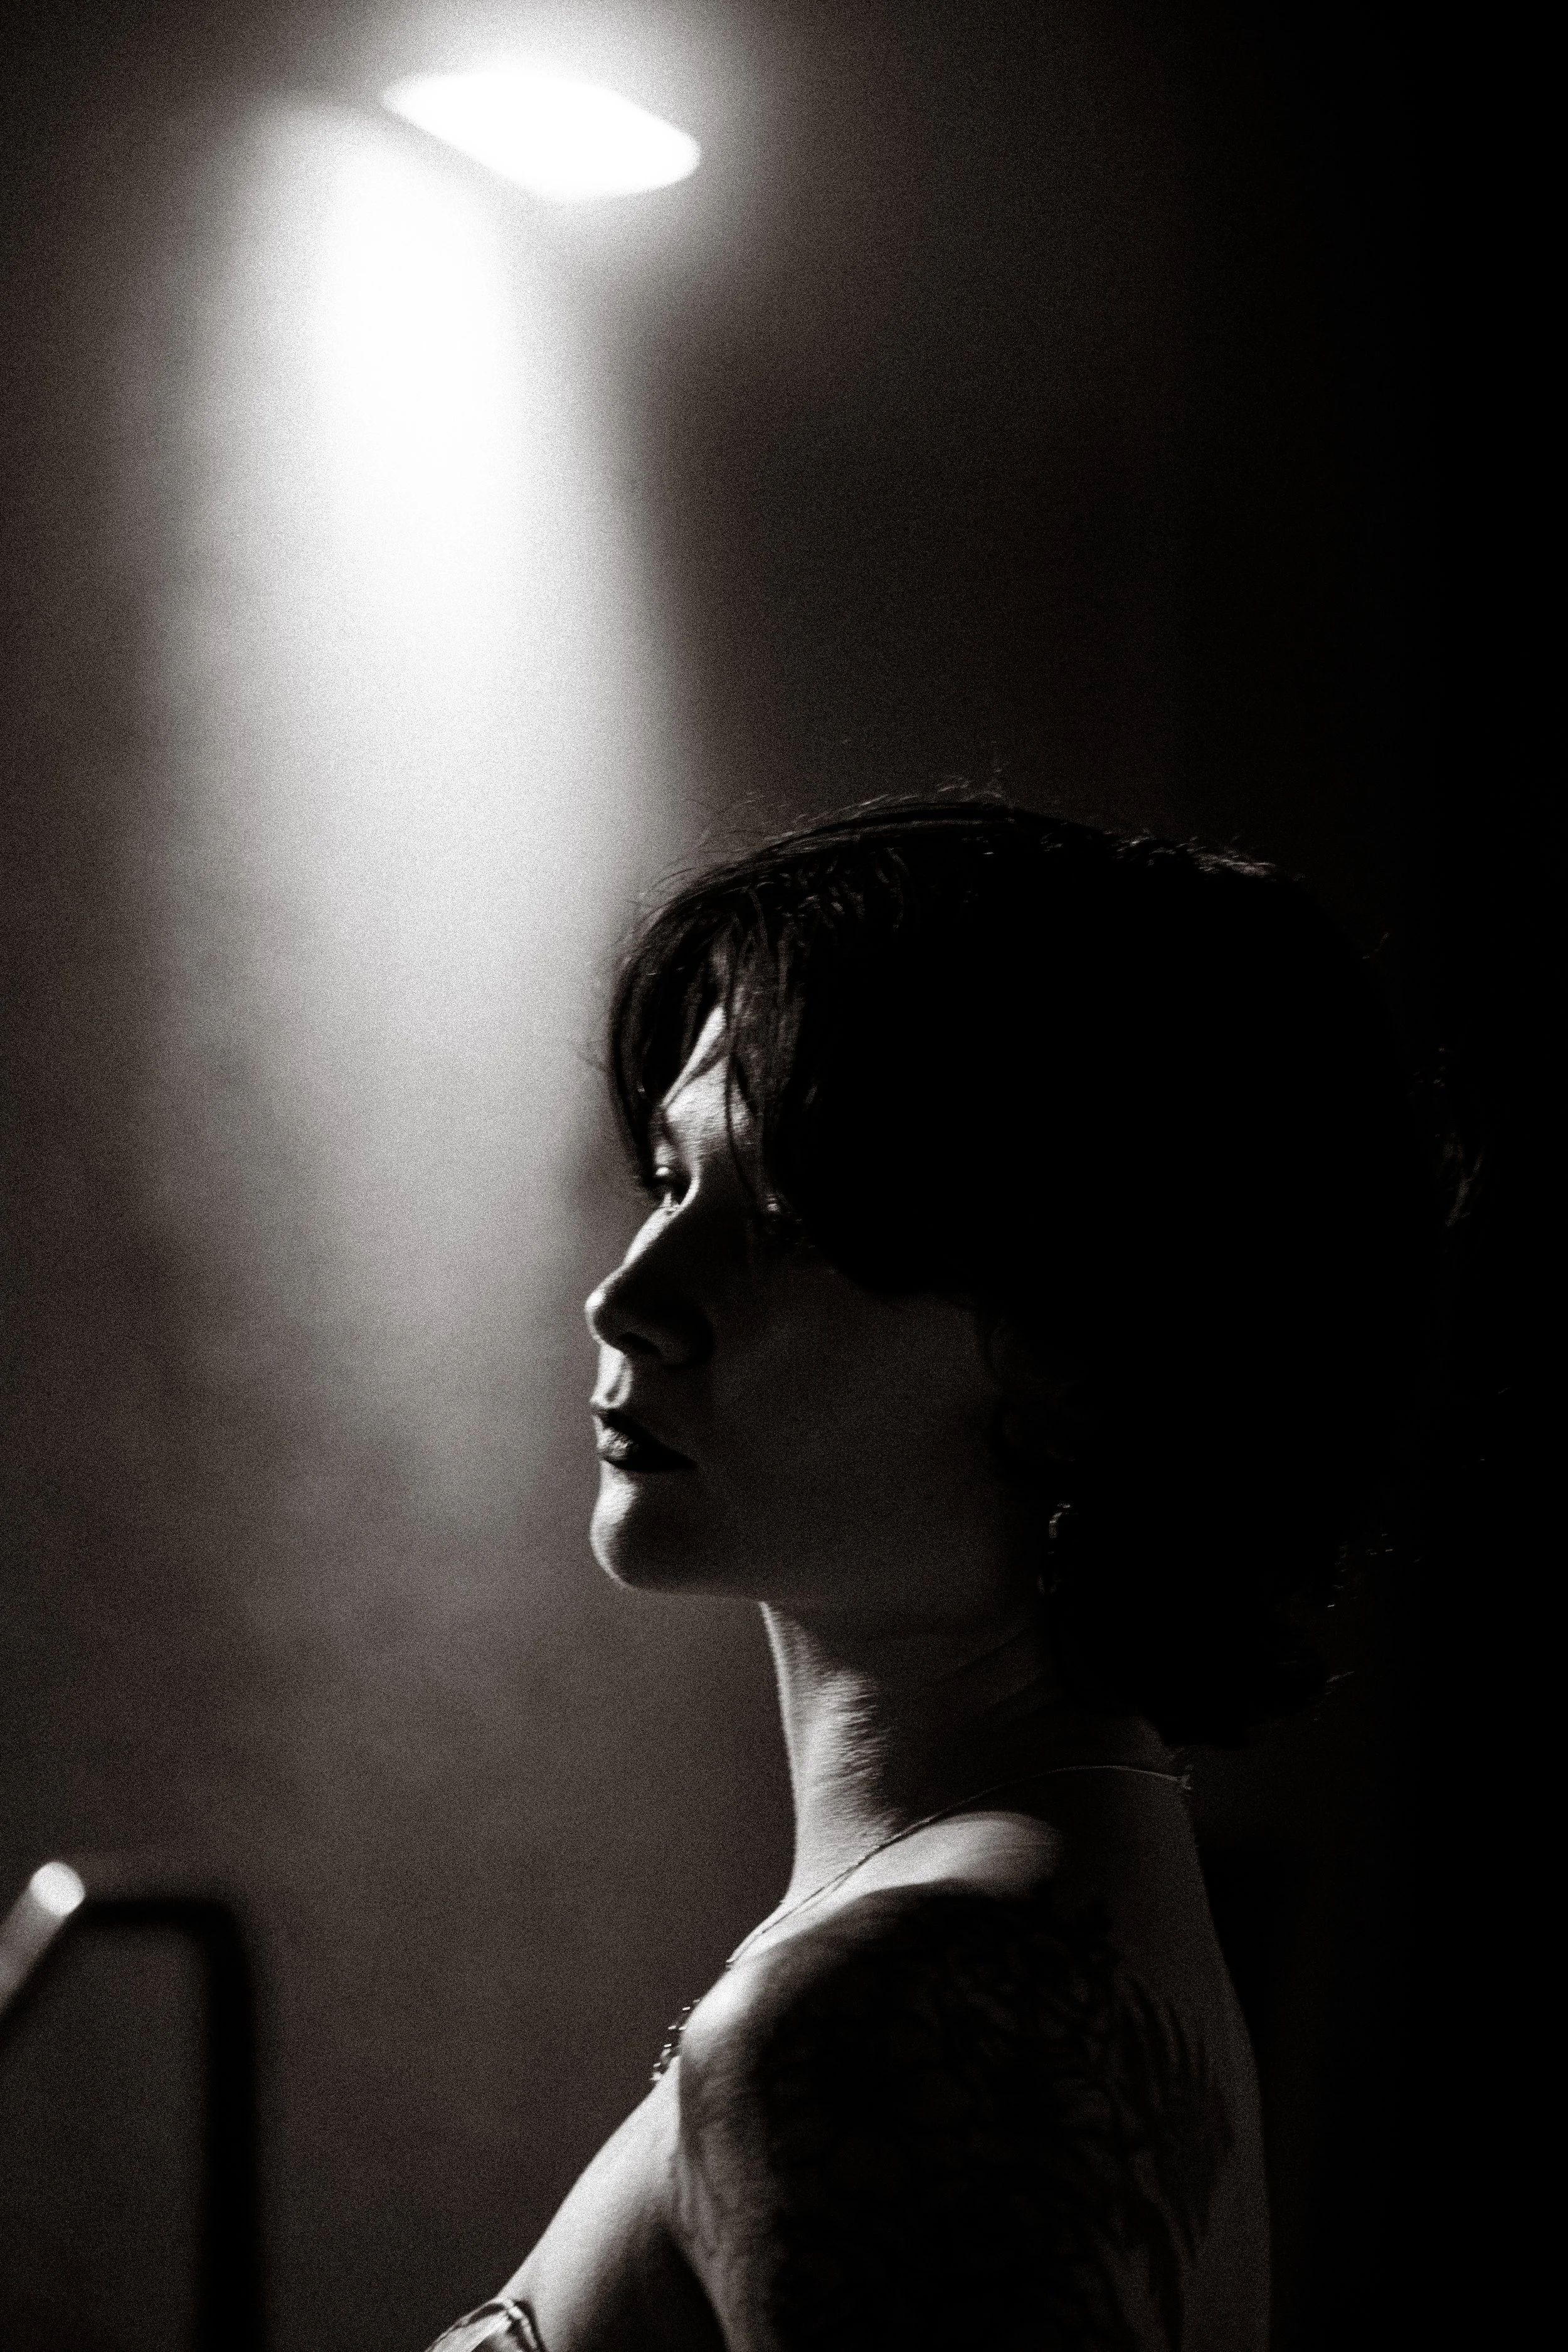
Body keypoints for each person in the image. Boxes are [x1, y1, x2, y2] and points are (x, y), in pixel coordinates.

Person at [425, 797, 1429, 2352]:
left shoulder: (896, 2021)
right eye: (666, 1187)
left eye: (775, 1222)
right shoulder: (1018, 1923)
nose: (627, 1300)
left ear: (1083, 1359)